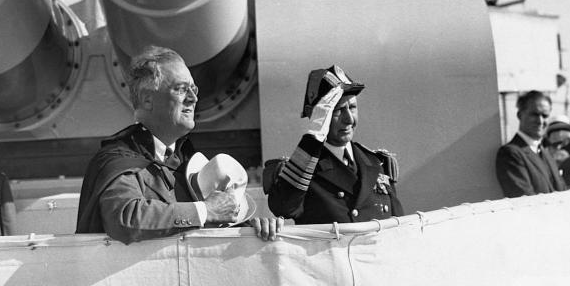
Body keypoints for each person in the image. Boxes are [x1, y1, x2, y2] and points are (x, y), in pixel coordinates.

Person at [75, 45, 245, 244]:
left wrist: (252, 229)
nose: (193, 98)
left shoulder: (186, 161)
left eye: (193, 89)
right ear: (148, 100)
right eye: (181, 89)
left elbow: (219, 216)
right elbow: (125, 217)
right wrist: (205, 211)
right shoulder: (119, 159)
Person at [264, 65, 402, 224]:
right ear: (317, 116)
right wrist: (314, 136)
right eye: (338, 110)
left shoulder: (378, 163)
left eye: (352, 107)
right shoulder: (301, 169)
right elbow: (283, 208)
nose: (349, 119)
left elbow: (399, 227)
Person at [495, 90, 566, 198]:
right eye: (534, 114)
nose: (540, 121)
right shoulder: (510, 154)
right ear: (520, 115)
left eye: (545, 115)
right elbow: (524, 200)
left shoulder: (545, 153)